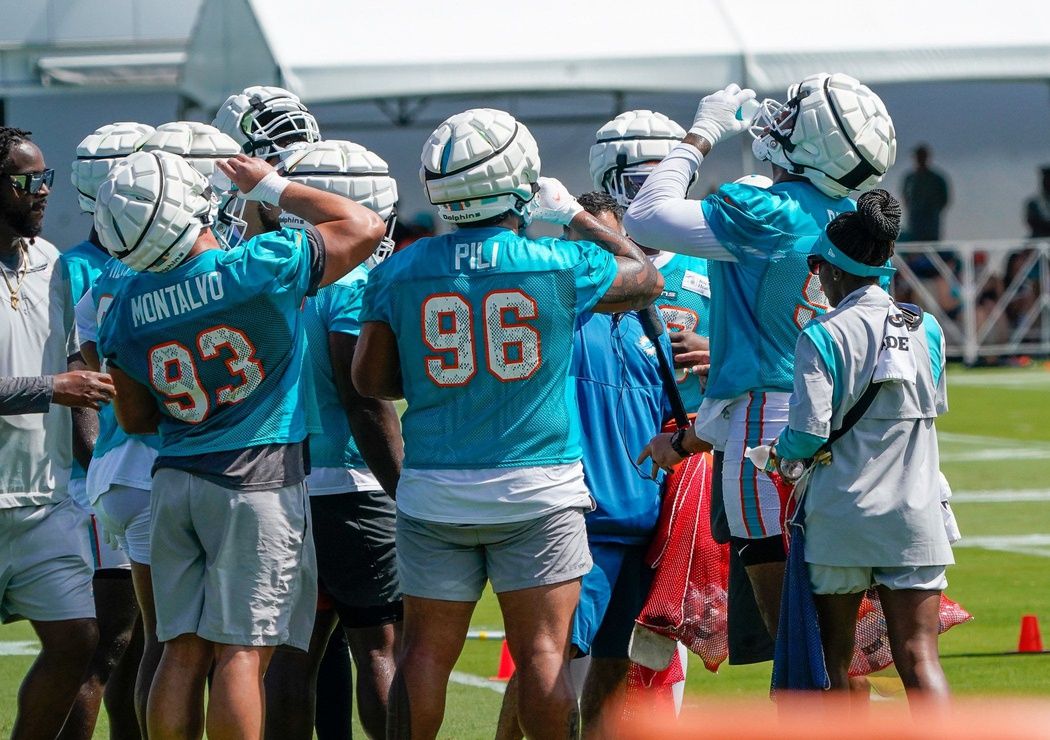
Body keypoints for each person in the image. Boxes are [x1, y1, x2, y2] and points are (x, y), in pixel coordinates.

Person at [352, 108, 663, 739]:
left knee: (423, 656)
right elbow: (648, 276)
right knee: (544, 656)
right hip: (537, 485)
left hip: (437, 486)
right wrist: (575, 214)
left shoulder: (399, 268)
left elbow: (372, 381)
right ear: (518, 178)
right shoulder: (553, 259)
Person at [93, 149, 385, 737]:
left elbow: (136, 416)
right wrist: (272, 185)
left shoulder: (122, 306)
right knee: (242, 652)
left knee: (180, 648)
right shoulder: (257, 266)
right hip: (256, 480)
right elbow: (363, 225)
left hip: (174, 478)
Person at [629, 74, 896, 642]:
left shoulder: (764, 211)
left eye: (797, 117)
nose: (781, 120)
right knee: (841, 641)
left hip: (768, 430)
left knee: (794, 641)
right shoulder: (856, 220)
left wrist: (702, 133)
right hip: (857, 432)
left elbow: (644, 216)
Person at [495, 192, 673, 737]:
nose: (607, 257)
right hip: (580, 523)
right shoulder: (558, 315)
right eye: (590, 241)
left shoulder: (651, 325)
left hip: (645, 523)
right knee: (547, 664)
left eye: (612, 242)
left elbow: (671, 417)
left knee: (615, 668)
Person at [769, 189, 952, 701]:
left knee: (833, 659)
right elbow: (932, 409)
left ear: (832, 270)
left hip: (842, 513)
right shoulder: (928, 327)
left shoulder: (822, 334)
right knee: (919, 656)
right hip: (915, 508)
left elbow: (806, 433)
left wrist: (779, 455)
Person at [252, 139, 405, 740]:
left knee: (292, 656)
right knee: (380, 647)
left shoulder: (267, 267)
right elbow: (362, 397)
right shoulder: (353, 279)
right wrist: (402, 488)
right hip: (349, 485)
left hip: (279, 481)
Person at [0, 126, 102, 740]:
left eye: (46, 179)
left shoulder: (55, 263)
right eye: (25, 180)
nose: (41, 192)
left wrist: (97, 462)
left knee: (77, 642)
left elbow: (72, 370)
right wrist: (51, 389)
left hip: (45, 502)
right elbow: (55, 385)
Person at [62, 120, 155, 740]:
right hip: (98, 475)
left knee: (139, 644)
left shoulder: (107, 262)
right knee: (110, 642)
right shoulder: (80, 270)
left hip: (117, 472)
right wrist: (93, 457)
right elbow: (76, 377)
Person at [901, 144, 950, 243]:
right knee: (914, 245)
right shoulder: (910, 179)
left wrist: (933, 209)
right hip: (915, 220)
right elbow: (905, 196)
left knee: (931, 246)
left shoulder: (936, 179)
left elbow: (945, 198)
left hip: (931, 221)